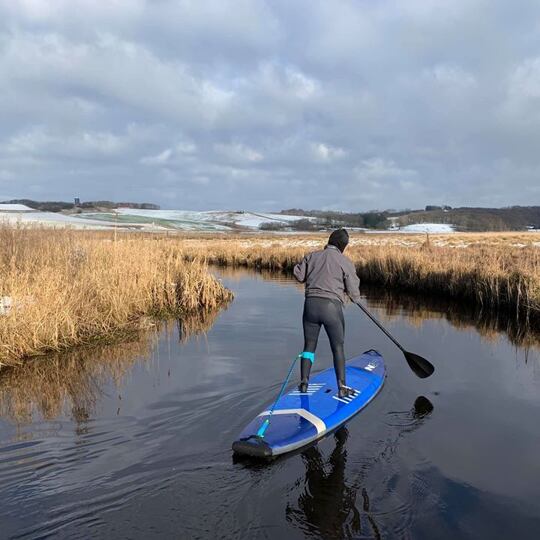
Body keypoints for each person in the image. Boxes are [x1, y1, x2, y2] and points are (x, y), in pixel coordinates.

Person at [293, 228, 361, 398]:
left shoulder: (312, 256)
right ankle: (342, 387)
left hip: (310, 306)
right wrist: (351, 294)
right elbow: (354, 294)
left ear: (329, 241)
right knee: (337, 347)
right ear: (343, 246)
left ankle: (304, 383)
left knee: (309, 346)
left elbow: (299, 276)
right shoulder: (345, 262)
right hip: (332, 308)